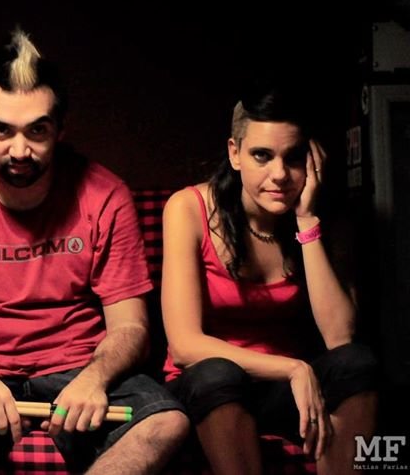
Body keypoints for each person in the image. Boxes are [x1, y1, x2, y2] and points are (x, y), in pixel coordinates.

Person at [0, 29, 189, 474]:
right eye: (2, 130)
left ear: (61, 128)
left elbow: (131, 326)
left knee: (167, 423)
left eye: (37, 130)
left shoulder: (105, 194)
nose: (19, 150)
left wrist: (94, 379)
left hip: (79, 371)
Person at [161, 80, 378, 475]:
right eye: (262, 155)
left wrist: (307, 222)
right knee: (216, 373)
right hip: (211, 389)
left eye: (293, 157)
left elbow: (340, 339)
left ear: (311, 160)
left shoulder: (328, 217)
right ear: (235, 153)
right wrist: (293, 368)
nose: (279, 174)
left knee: (358, 362)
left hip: (283, 395)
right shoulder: (188, 208)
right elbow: (185, 346)